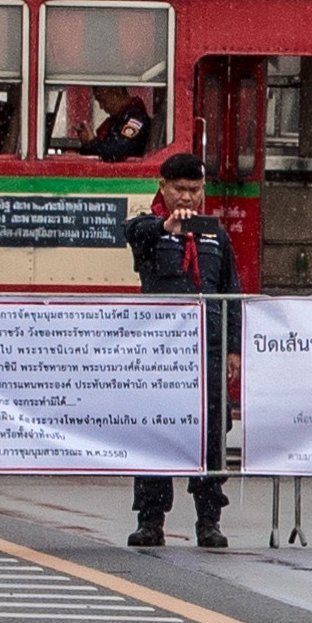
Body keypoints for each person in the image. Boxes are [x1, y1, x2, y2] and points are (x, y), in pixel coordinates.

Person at [120, 159, 240, 552]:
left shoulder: (215, 236)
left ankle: (209, 521)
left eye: (194, 189)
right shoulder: (149, 228)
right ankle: (150, 520)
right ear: (163, 187)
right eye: (179, 189)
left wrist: (234, 347)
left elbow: (230, 292)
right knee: (157, 431)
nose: (186, 197)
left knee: (212, 436)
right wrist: (164, 227)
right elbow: (131, 233)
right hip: (163, 355)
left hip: (209, 351)